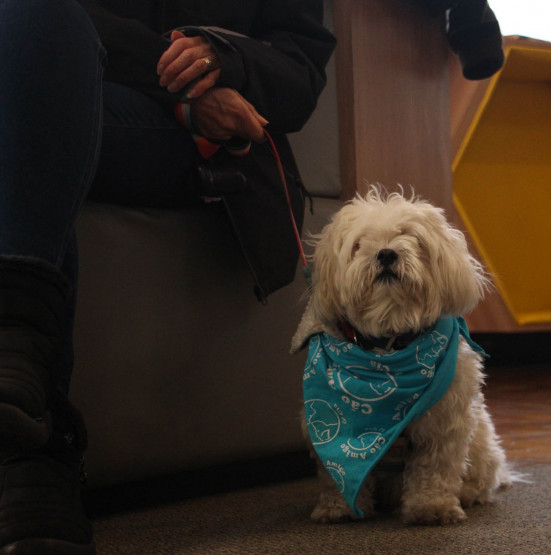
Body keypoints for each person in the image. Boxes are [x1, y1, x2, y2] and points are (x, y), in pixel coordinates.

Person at [0, 0, 336, 552]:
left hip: (190, 145)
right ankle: (35, 444)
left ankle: (31, 435)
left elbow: (299, 77)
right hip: (87, 87)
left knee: (29, 120)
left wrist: (223, 57)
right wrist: (180, 79)